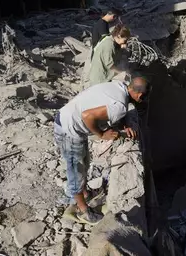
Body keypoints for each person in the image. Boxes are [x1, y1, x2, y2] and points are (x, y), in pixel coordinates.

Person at [54, 77, 149, 224]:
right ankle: (82, 210)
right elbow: (87, 116)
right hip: (69, 129)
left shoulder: (119, 86)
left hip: (70, 119)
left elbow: (109, 107)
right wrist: (101, 134)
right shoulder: (119, 106)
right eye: (144, 99)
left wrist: (124, 124)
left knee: (84, 161)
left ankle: (85, 194)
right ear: (140, 96)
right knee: (76, 169)